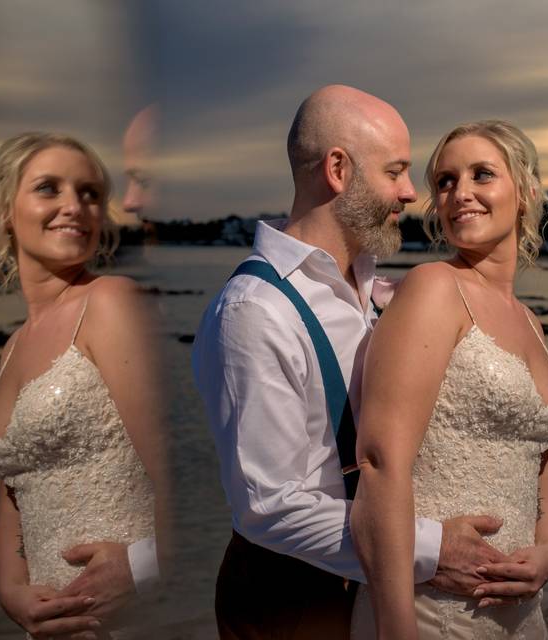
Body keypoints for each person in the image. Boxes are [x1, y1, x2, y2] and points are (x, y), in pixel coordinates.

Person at [192, 87, 516, 640]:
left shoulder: (376, 289)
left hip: (369, 590)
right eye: (395, 172)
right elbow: (269, 507)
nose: (410, 193)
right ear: (338, 169)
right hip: (292, 599)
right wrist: (433, 549)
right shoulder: (255, 310)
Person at [350, 120, 548, 639]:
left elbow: (540, 450)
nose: (461, 194)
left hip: (520, 613)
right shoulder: (433, 289)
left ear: (526, 193)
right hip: (433, 609)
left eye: (482, 175)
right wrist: (395, 626)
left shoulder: (529, 321)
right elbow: (380, 463)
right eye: (446, 182)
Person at [0, 132, 170, 638]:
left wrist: (142, 566)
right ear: (3, 211)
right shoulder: (14, 345)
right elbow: (15, 486)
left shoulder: (110, 303)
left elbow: (181, 471)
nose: (73, 206)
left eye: (89, 193)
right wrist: (12, 592)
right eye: (48, 188)